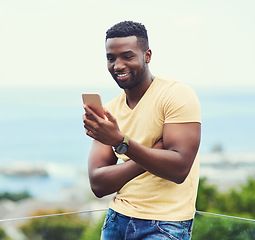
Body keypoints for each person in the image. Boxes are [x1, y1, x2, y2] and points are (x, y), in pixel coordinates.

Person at [83, 21, 201, 240]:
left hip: (165, 224)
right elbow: (98, 184)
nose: (118, 65)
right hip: (116, 220)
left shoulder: (176, 95)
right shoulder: (109, 111)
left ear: (147, 55)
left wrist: (121, 143)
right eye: (111, 58)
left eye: (127, 56)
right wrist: (140, 151)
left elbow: (179, 169)